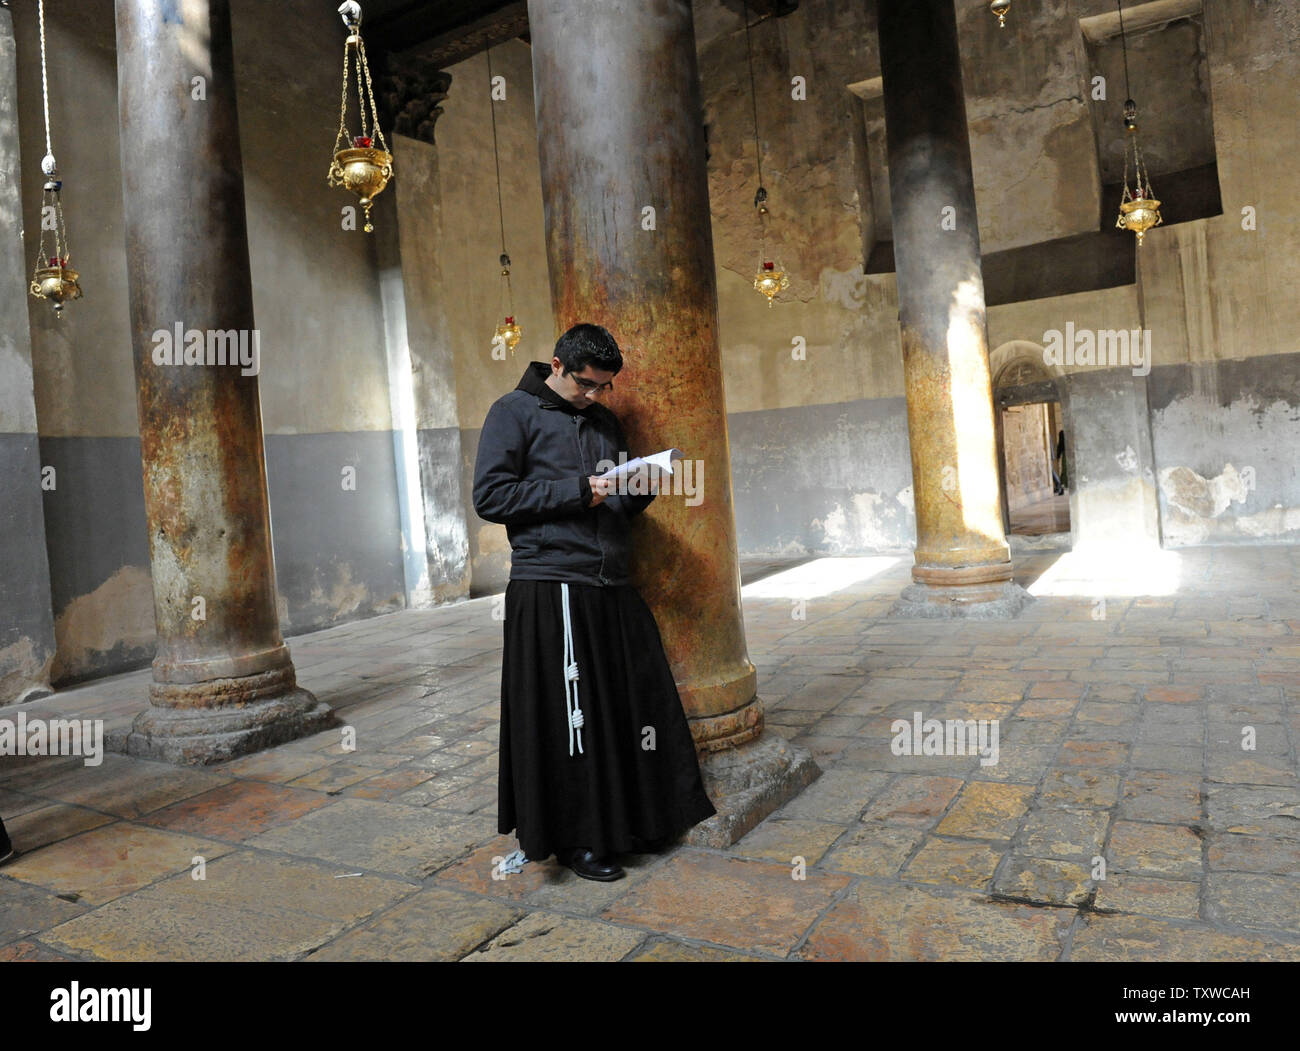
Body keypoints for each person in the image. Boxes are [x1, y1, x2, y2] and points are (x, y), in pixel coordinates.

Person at [472, 322, 716, 881]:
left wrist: (641, 484)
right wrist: (581, 489)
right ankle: (580, 840)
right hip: (552, 581)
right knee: (573, 720)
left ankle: (631, 824)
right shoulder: (512, 412)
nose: (596, 396)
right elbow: (491, 496)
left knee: (626, 704)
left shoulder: (604, 419)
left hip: (610, 580)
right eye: (587, 384)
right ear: (556, 366)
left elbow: (612, 504)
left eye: (604, 387)